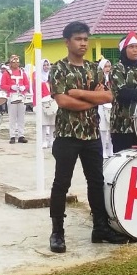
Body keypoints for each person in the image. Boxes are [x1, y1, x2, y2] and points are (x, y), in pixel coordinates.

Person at [48, 21, 129, 253]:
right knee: (61, 183)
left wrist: (79, 93)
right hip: (67, 135)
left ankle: (100, 228)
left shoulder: (93, 68)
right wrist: (89, 98)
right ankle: (57, 232)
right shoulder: (58, 69)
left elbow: (107, 97)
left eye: (85, 39)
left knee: (96, 182)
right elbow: (62, 101)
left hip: (91, 133)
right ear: (67, 42)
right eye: (78, 39)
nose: (83, 43)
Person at [110, 32, 137, 154]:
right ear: (123, 49)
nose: (135, 50)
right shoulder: (117, 68)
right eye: (131, 47)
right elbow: (123, 94)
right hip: (122, 125)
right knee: (123, 163)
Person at [0, 55, 29, 144]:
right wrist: (10, 87)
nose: (16, 64)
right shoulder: (6, 73)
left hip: (21, 95)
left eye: (17, 62)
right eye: (14, 62)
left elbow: (27, 84)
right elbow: (2, 85)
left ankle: (21, 135)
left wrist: (24, 87)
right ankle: (12, 136)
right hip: (12, 95)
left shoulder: (22, 73)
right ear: (10, 63)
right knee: (12, 117)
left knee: (21, 117)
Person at [32, 59, 56, 150]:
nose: (46, 67)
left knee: (52, 123)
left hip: (52, 102)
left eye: (47, 65)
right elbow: (36, 91)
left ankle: (52, 140)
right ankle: (44, 141)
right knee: (43, 123)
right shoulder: (37, 77)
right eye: (44, 65)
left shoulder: (51, 76)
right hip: (42, 103)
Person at [97, 58, 113, 158]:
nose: (107, 69)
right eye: (105, 66)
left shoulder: (113, 78)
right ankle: (103, 150)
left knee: (111, 129)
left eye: (108, 66)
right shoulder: (99, 79)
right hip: (101, 106)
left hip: (110, 106)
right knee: (103, 129)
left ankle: (111, 150)